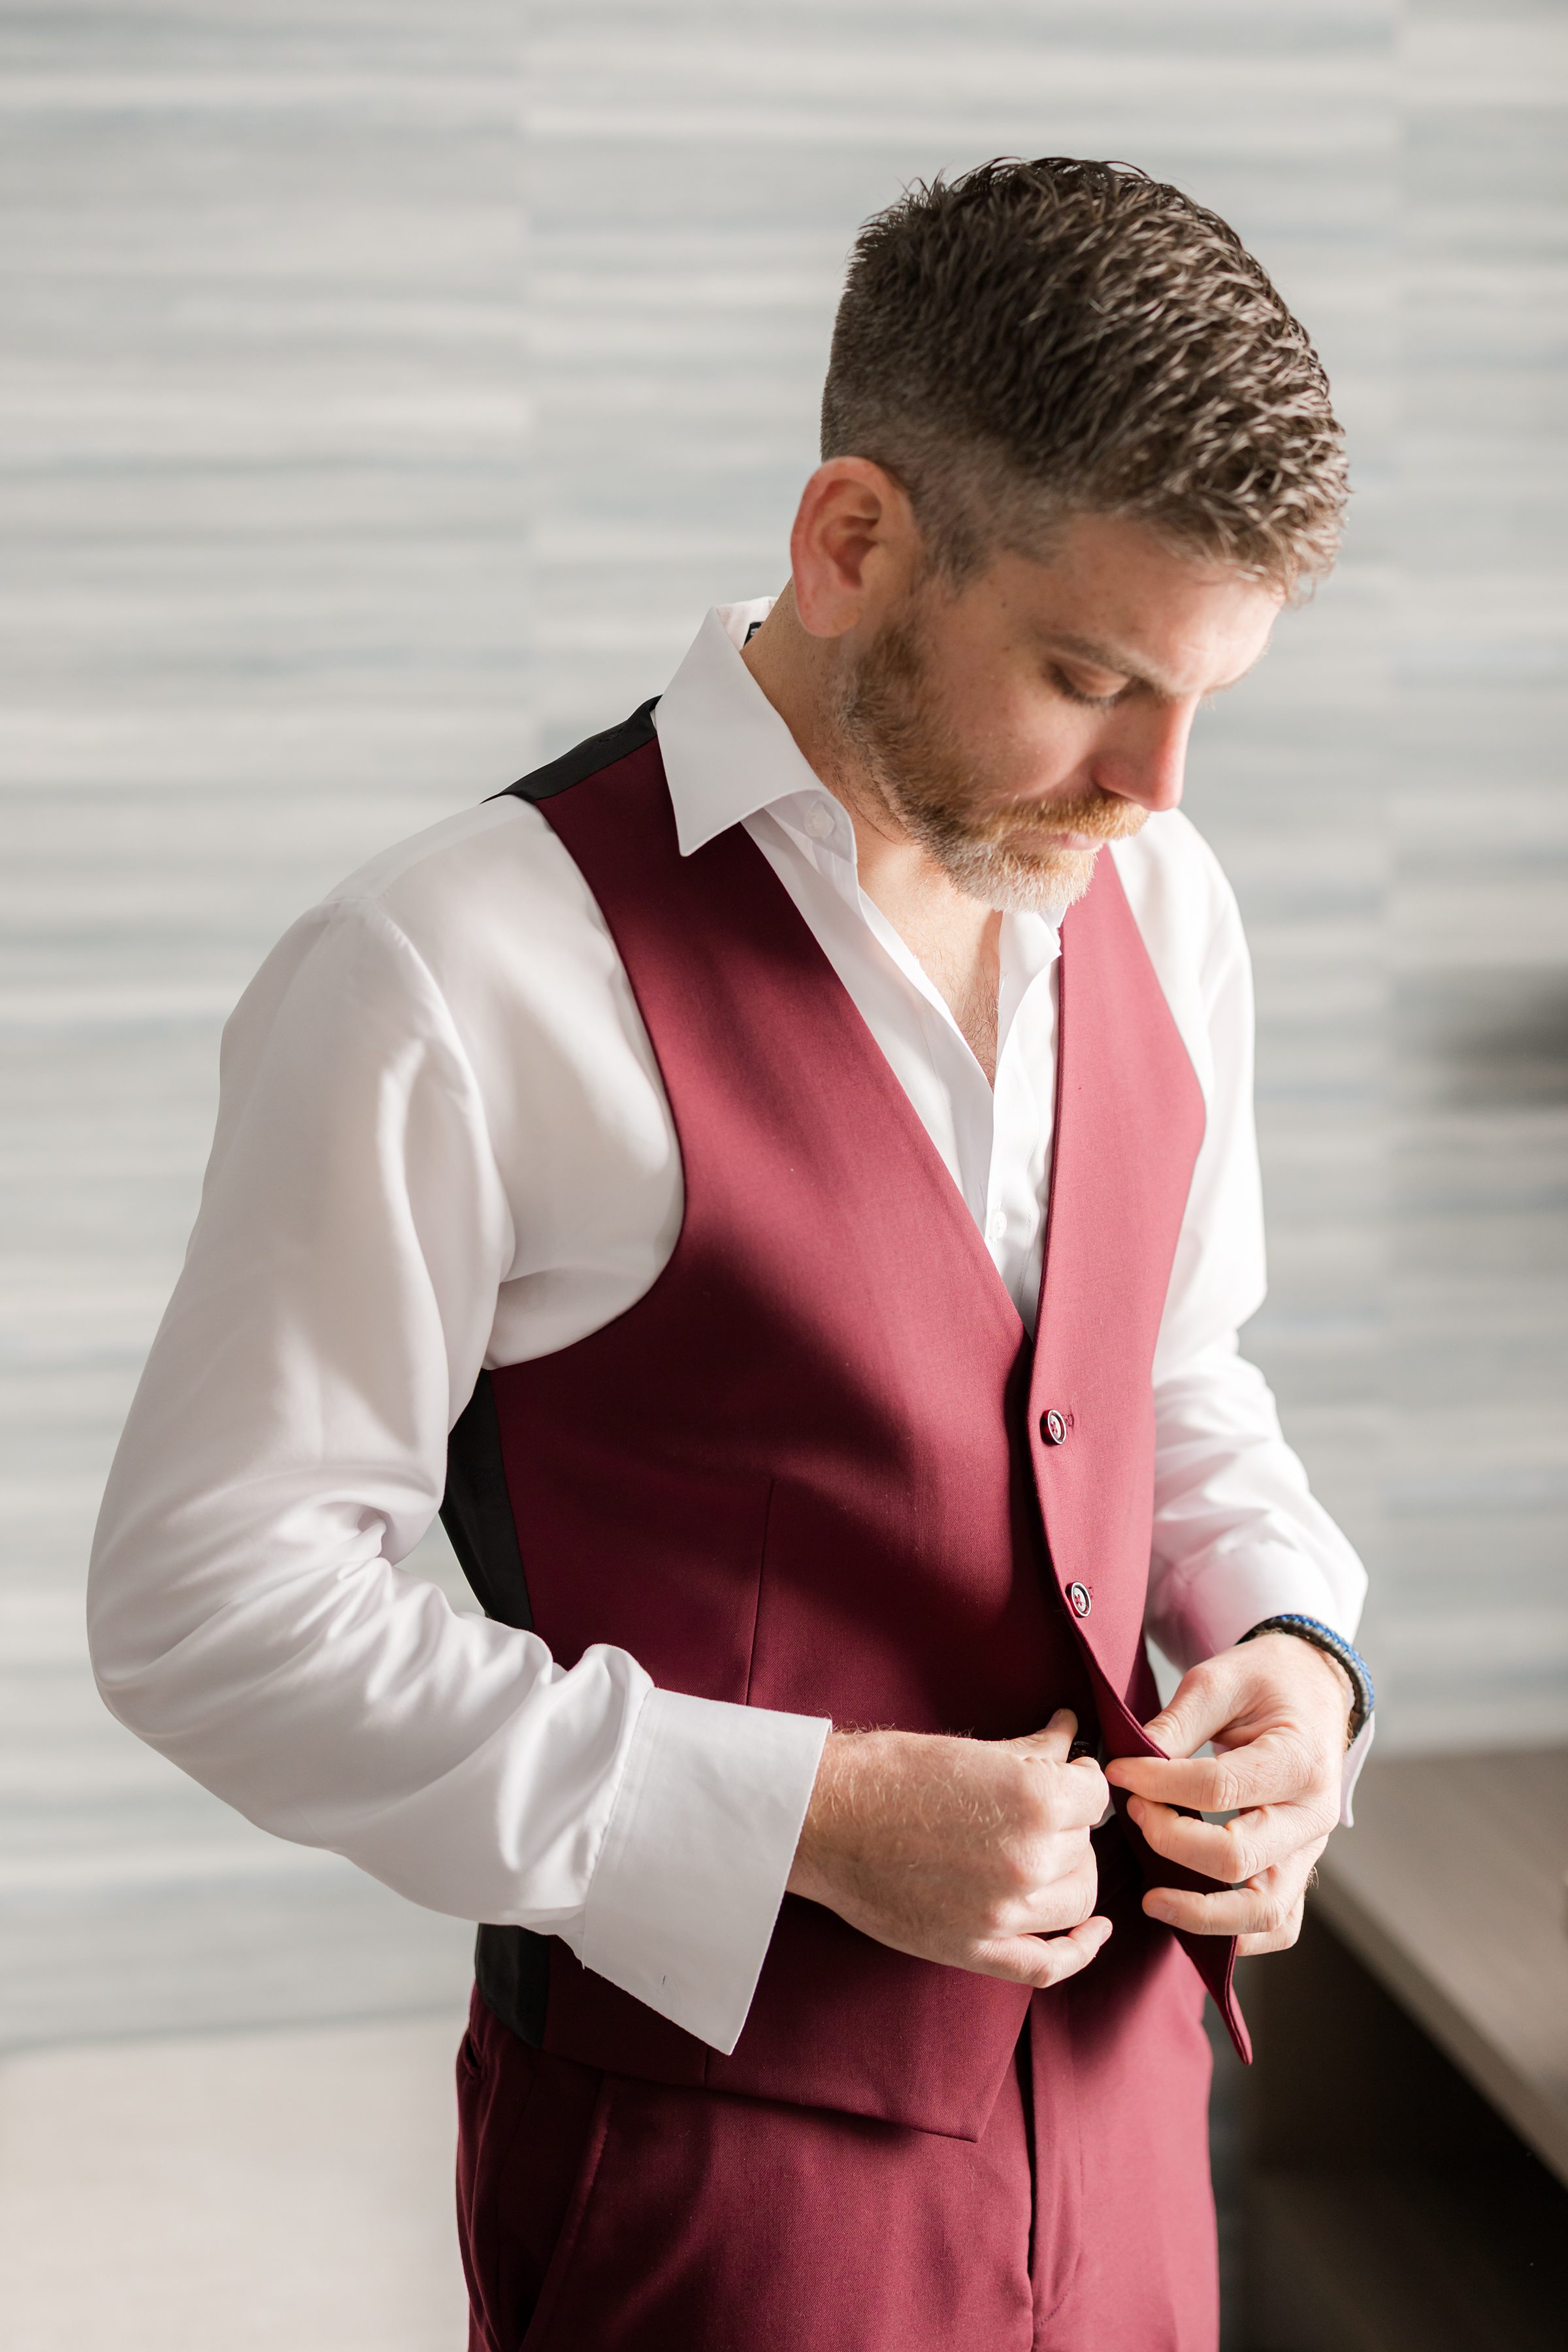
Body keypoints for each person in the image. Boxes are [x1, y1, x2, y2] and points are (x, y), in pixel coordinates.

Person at [88, 157, 1375, 2351]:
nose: (1159, 785)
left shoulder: (1164, 904)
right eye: (1089, 677)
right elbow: (211, 1608)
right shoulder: (454, 965)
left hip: (1140, 2129)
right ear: (855, 540)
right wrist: (807, 1813)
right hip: (716, 2197)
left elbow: (1175, 1380)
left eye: (1203, 701)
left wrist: (1291, 1648)